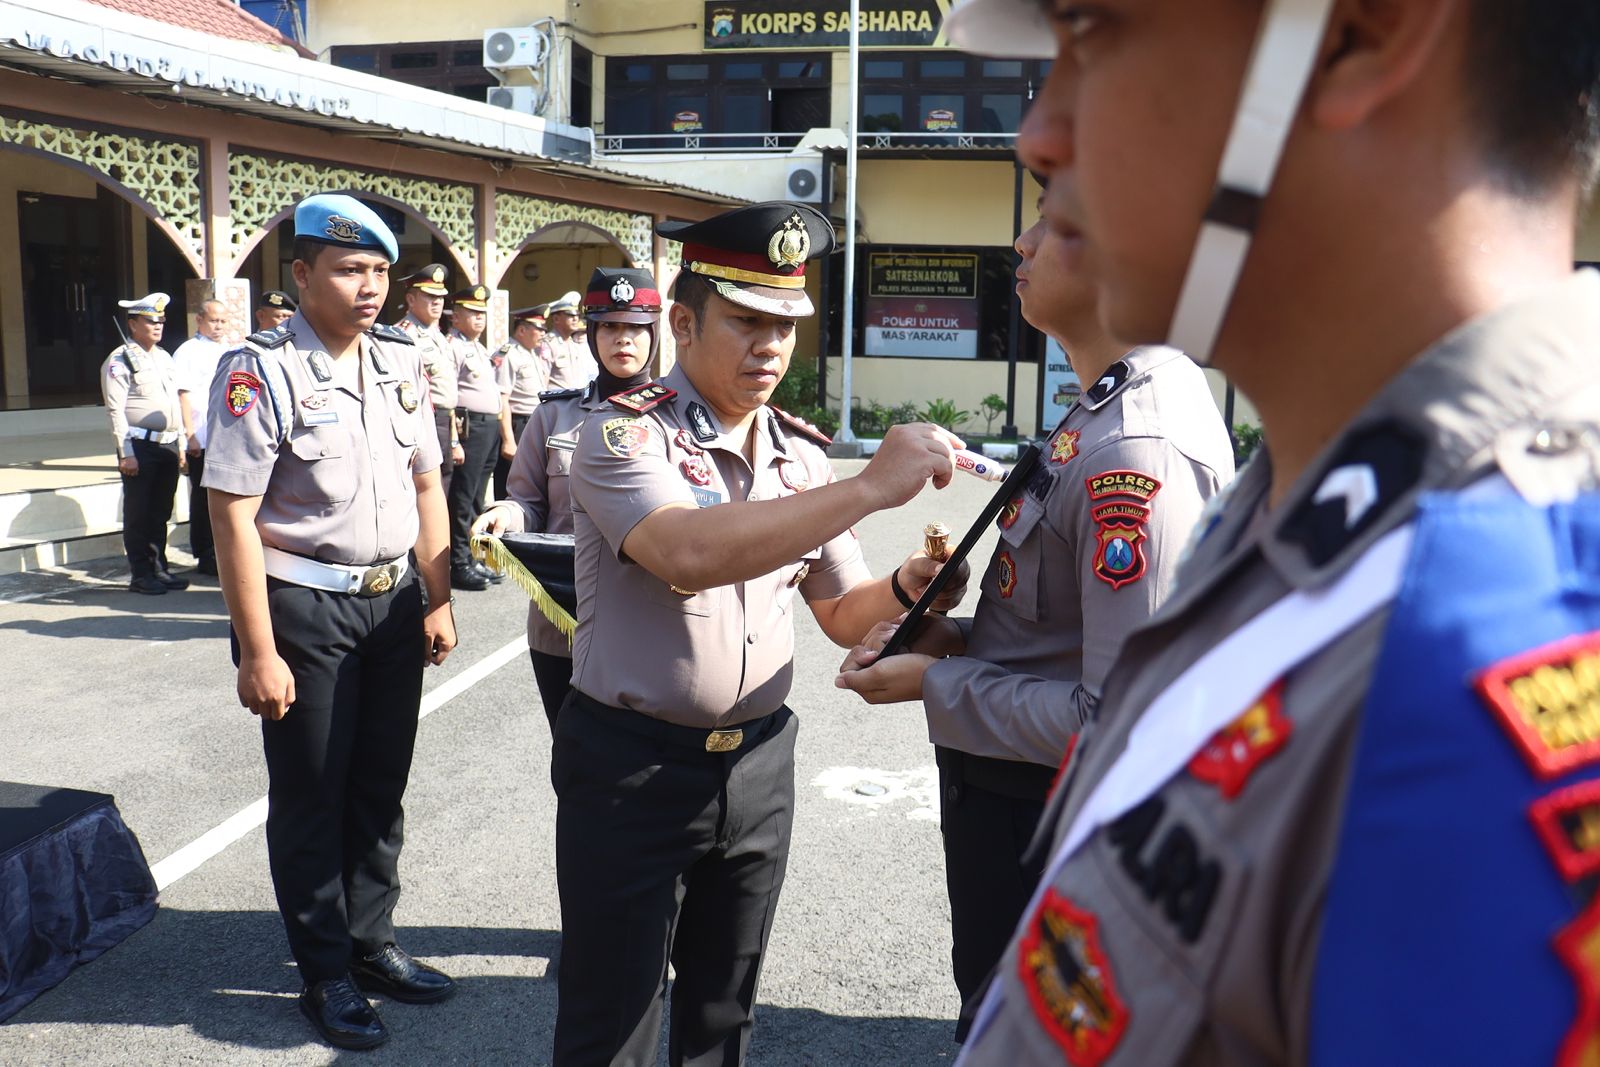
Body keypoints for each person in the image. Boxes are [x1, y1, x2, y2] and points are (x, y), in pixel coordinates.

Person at [940, 1, 1600, 1064]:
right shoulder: (1302, 508)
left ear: (1359, 33)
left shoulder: (1505, 638)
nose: (1039, 132)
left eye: (1092, 32)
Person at [552, 201, 970, 1067]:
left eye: (786, 324)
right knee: (611, 1022)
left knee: (723, 1014)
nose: (771, 345)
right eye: (746, 320)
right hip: (634, 765)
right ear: (681, 321)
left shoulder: (798, 458)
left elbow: (842, 610)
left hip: (756, 762)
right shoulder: (623, 433)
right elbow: (684, 552)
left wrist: (909, 592)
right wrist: (868, 488)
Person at [836, 198, 1234, 1039]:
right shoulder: (1106, 406)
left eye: (1056, 222)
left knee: (1024, 1035)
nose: (1022, 239)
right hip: (1020, 803)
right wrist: (950, 635)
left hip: (1047, 820)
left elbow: (1121, 722)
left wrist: (937, 681)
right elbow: (1067, 640)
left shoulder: (1136, 447)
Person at [202, 194, 457, 1052]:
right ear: (303, 274)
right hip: (302, 609)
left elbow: (429, 484)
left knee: (379, 787)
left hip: (392, 605)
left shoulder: (400, 360)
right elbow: (232, 514)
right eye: (350, 269)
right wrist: (258, 650)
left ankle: (371, 943)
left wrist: (440, 596)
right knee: (312, 796)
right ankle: (325, 972)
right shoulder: (259, 369)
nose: (370, 287)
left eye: (380, 270)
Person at [474, 267, 661, 728]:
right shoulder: (554, 415)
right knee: (572, 759)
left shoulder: (677, 418)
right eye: (611, 327)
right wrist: (507, 513)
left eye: (636, 328)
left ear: (654, 336)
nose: (624, 340)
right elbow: (528, 501)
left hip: (656, 623)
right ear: (593, 334)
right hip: (564, 617)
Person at [100, 292, 189, 595]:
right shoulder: (120, 359)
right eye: (151, 320)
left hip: (166, 444)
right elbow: (116, 409)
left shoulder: (163, 357)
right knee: (139, 513)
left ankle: (159, 568)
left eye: (161, 320)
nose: (158, 326)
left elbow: (175, 404)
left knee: (161, 511)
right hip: (138, 446)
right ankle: (141, 573)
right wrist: (125, 453)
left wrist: (180, 444)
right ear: (133, 323)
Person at [445, 283, 509, 591]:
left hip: (489, 427)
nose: (479, 319)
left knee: (476, 498)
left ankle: (473, 557)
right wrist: (454, 437)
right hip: (469, 427)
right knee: (462, 497)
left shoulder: (479, 348)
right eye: (472, 313)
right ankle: (458, 562)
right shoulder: (452, 346)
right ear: (456, 317)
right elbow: (447, 395)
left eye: (482, 314)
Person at [392, 265, 462, 496]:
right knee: (424, 488)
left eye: (440, 297)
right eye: (429, 296)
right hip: (421, 420)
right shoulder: (403, 335)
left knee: (444, 486)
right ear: (411, 299)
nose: (437, 302)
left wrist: (454, 439)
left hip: (444, 419)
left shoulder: (438, 336)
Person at [174, 298, 232, 576]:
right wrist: (189, 435)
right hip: (202, 435)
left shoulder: (232, 349)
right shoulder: (188, 351)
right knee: (202, 498)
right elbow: (183, 394)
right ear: (199, 320)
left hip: (226, 438)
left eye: (223, 321)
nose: (218, 326)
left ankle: (221, 551)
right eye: (213, 320)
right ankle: (204, 553)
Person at [491, 305, 550, 501]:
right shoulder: (509, 354)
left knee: (532, 479)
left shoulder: (533, 354)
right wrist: (508, 439)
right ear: (522, 330)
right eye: (538, 328)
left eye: (544, 328)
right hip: (517, 423)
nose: (543, 333)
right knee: (510, 480)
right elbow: (503, 398)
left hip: (533, 420)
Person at [538, 291, 597, 389]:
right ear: (556, 319)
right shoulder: (547, 344)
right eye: (570, 315)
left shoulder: (573, 344)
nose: (575, 319)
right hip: (556, 402)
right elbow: (542, 381)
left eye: (577, 315)